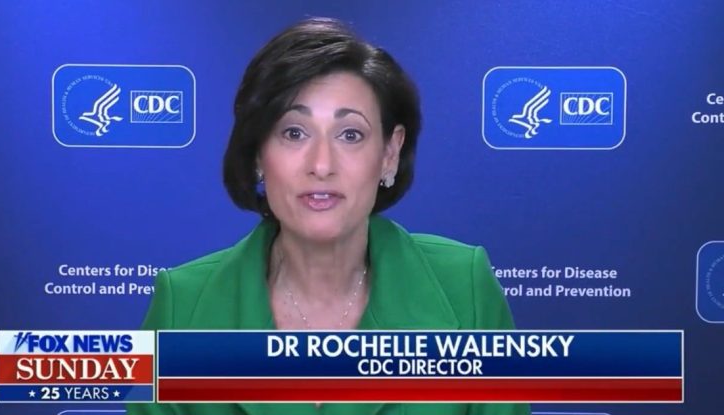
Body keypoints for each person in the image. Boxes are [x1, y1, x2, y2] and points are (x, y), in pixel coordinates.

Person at [128, 17, 529, 415]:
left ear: (389, 154)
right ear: (257, 155)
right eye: (294, 133)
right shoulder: (183, 306)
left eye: (350, 135)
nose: (321, 165)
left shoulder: (464, 289)